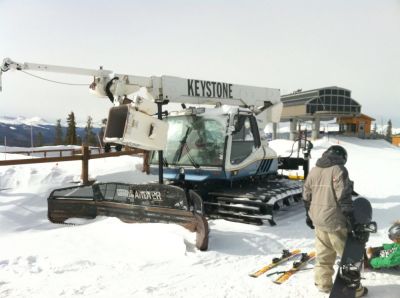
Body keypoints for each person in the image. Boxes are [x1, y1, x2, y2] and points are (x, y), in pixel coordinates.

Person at [303, 145, 367, 297]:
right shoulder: (339, 170)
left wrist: (308, 215)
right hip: (335, 221)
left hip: (318, 219)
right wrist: (352, 220)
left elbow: (306, 196)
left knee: (324, 254)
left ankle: (323, 284)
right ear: (342, 157)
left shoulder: (314, 170)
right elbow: (344, 198)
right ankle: (354, 289)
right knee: (348, 256)